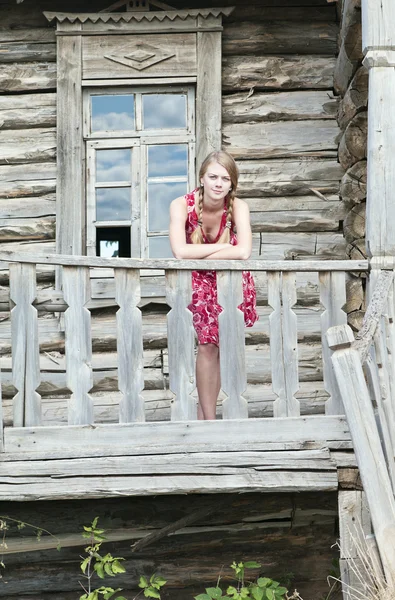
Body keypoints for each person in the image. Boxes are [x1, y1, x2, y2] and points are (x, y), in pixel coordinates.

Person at [169, 150, 258, 420]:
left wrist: (202, 253)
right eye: (213, 177)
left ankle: (204, 411)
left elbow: (243, 253)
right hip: (198, 282)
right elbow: (179, 252)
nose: (219, 184)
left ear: (232, 184)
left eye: (225, 179)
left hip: (228, 281)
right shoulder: (180, 205)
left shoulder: (239, 207)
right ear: (202, 178)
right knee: (207, 346)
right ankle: (209, 419)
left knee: (219, 348)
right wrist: (223, 250)